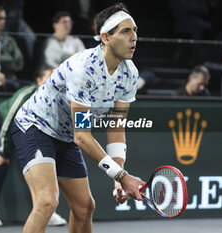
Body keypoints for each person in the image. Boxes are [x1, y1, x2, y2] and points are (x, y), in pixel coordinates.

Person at [11, 2, 145, 233]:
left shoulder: (130, 74)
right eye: (125, 31)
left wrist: (117, 179)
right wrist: (122, 175)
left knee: (84, 208)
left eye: (135, 30)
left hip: (65, 136)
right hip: (35, 126)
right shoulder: (84, 67)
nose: (134, 37)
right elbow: (82, 137)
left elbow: (116, 129)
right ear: (105, 37)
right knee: (47, 202)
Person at [0, 65, 67, 227]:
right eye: (48, 78)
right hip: (2, 123)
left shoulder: (57, 97)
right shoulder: (26, 95)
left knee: (42, 167)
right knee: (1, 163)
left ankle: (48, 212)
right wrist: (2, 150)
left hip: (29, 131)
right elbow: (8, 119)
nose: (53, 82)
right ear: (39, 81)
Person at [0, 4, 26, 92]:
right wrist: (9, 58)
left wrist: (0, 59)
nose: (2, 21)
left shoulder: (10, 39)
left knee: (31, 87)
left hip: (11, 78)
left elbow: (19, 63)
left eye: (4, 18)